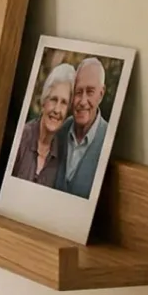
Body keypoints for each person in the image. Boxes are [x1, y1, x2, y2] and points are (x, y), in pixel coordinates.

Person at [11, 61, 74, 186]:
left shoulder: (62, 154)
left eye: (63, 103)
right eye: (53, 99)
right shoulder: (21, 137)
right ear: (44, 102)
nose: (57, 109)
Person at [57, 56, 109, 197]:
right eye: (78, 92)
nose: (83, 101)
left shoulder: (109, 139)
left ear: (101, 94)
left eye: (90, 92)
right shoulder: (58, 132)